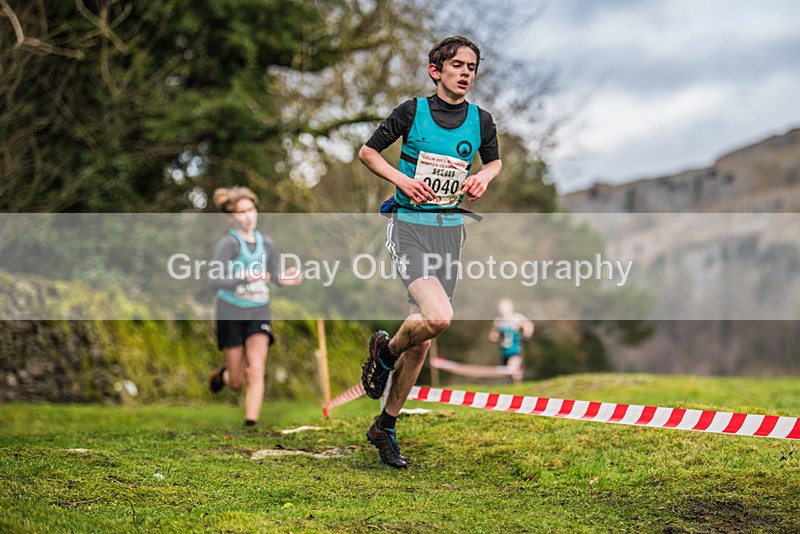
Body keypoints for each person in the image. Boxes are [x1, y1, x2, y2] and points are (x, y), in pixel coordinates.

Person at [357, 36, 502, 468]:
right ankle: (384, 354)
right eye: (457, 65)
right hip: (409, 228)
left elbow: (494, 161)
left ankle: (385, 425)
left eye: (472, 67)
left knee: (423, 340)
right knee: (439, 317)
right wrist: (402, 182)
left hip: (449, 232)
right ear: (435, 71)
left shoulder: (481, 120)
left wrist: (484, 178)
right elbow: (367, 152)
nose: (465, 72)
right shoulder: (412, 112)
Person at [207, 186, 302, 427]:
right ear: (231, 217)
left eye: (251, 209)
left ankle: (251, 423)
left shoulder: (266, 243)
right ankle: (224, 374)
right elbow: (213, 279)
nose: (248, 216)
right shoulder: (229, 243)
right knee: (237, 381)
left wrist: (284, 278)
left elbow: (271, 273)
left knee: (256, 369)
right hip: (230, 310)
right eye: (241, 212)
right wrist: (245, 277)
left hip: (259, 309)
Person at [487, 298, 534, 383]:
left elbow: (529, 325)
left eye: (505, 307)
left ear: (511, 308)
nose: (503, 310)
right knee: (510, 374)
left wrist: (526, 335)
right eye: (501, 308)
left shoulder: (516, 318)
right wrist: (497, 337)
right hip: (505, 352)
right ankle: (515, 388)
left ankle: (518, 385)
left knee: (513, 367)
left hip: (516, 350)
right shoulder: (498, 321)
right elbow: (491, 336)